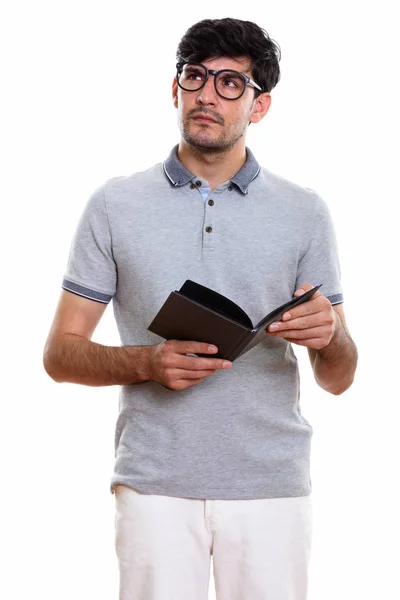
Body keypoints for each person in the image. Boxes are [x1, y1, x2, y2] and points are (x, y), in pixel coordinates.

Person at [43, 17, 358, 600]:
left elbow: (339, 379)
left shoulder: (305, 212)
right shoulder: (114, 204)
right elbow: (60, 355)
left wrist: (332, 335)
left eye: (230, 83)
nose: (208, 94)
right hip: (154, 484)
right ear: (175, 90)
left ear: (259, 106)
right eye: (195, 77)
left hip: (271, 485)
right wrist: (147, 363)